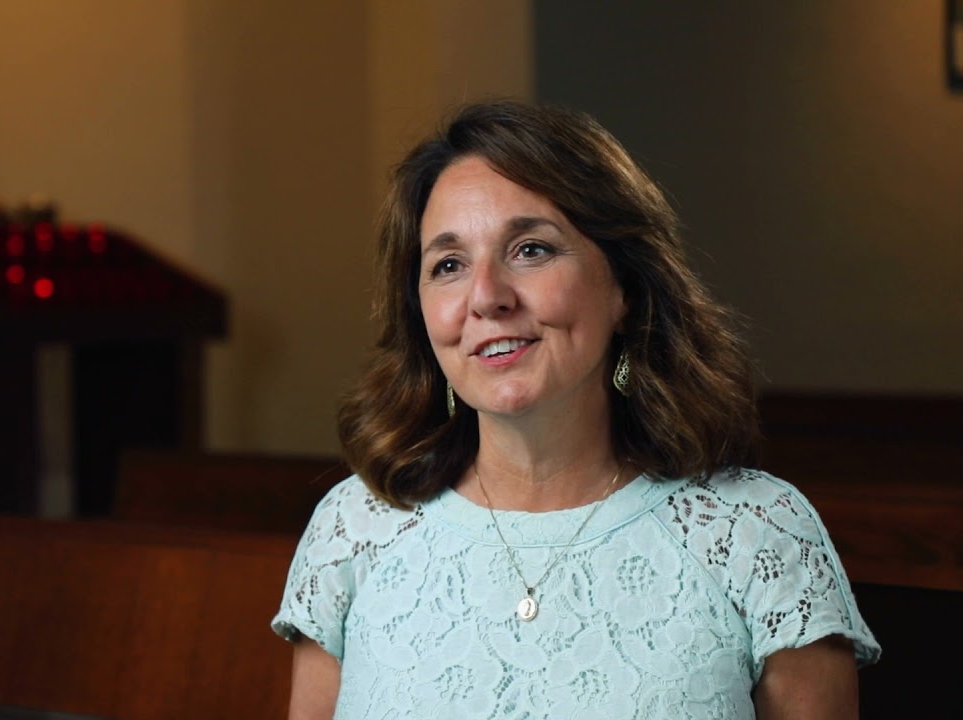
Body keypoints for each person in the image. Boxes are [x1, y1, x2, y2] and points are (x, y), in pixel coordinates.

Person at [271, 100, 879, 718]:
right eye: (448, 265)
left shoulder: (757, 534)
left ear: (624, 286)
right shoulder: (354, 530)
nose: (486, 297)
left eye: (531, 250)